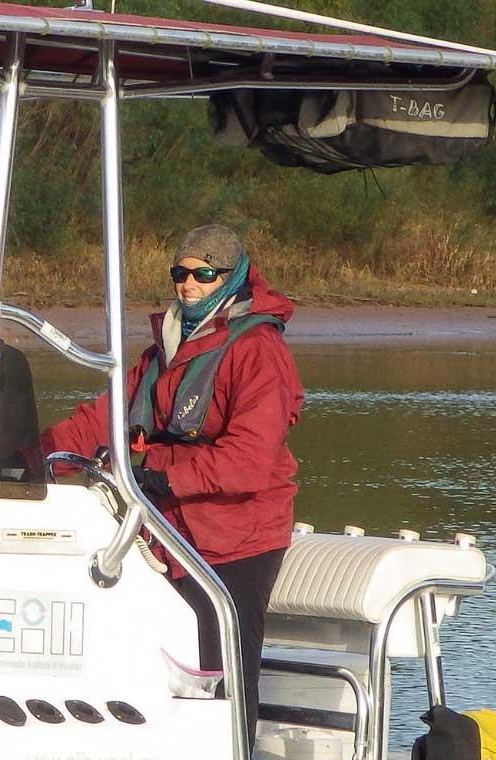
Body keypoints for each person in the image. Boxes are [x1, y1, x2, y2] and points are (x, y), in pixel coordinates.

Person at [31, 223, 302, 721]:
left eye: (204, 274)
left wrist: (162, 480)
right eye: (180, 273)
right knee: (158, 664)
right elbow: (102, 419)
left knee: (223, 675)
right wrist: (28, 455)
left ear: (232, 278)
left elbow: (249, 459)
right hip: (168, 531)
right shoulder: (165, 352)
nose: (188, 284)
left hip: (239, 537)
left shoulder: (259, 350)